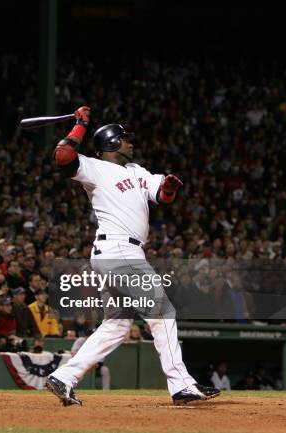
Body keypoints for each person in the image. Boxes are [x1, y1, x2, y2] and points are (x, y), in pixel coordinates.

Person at [46, 107, 220, 406]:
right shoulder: (96, 167)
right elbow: (63, 156)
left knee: (117, 324)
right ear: (111, 142)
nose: (131, 143)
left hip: (120, 252)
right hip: (118, 250)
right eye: (125, 139)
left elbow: (162, 196)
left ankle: (64, 377)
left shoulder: (137, 171)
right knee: (162, 312)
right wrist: (80, 125)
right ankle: (181, 385)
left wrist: (168, 189)